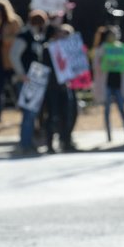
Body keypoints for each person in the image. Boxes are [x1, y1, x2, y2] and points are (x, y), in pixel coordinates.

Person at [10, 9, 48, 153]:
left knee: (32, 112)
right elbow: (14, 55)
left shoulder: (36, 37)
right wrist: (21, 74)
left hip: (35, 80)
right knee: (28, 112)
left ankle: (29, 141)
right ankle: (25, 143)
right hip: (26, 80)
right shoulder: (24, 36)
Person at [42, 24, 78, 153]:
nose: (64, 36)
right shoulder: (48, 48)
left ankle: (66, 142)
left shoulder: (70, 49)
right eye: (61, 33)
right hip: (52, 87)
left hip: (66, 86)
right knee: (52, 115)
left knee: (67, 115)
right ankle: (49, 144)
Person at [96, 26, 124, 144]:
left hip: (118, 84)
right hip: (107, 84)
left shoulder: (121, 47)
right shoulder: (102, 49)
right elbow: (97, 64)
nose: (113, 37)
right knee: (107, 110)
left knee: (122, 109)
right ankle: (108, 135)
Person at [0, 0, 23, 124]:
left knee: (17, 89)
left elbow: (18, 38)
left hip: (12, 62)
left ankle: (24, 114)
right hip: (0, 61)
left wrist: (2, 38)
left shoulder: (14, 21)